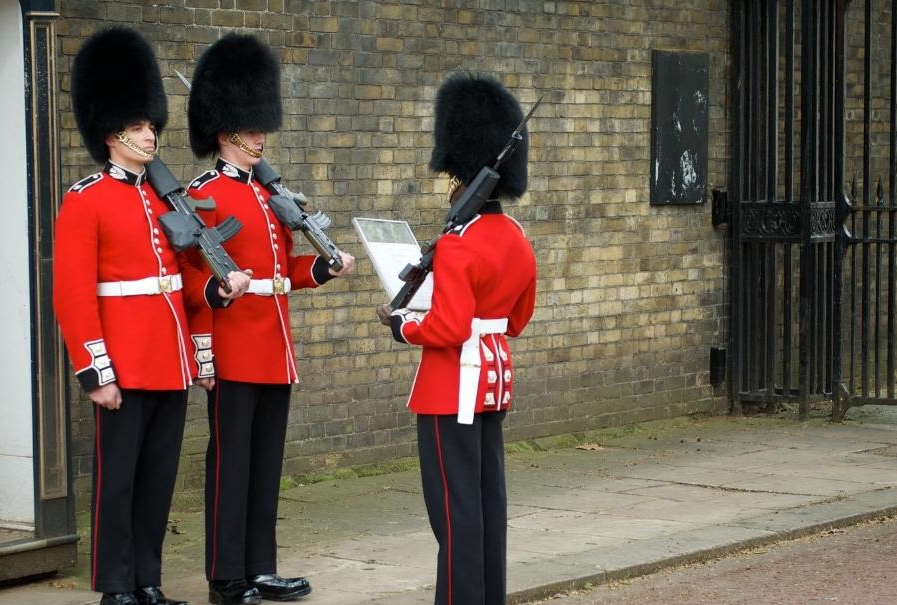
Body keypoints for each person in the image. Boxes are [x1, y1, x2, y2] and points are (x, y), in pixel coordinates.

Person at [181, 32, 356, 605]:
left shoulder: (267, 194)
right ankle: (225, 576)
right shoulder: (202, 196)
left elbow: (284, 273)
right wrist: (205, 353)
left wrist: (326, 269)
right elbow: (196, 286)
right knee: (231, 471)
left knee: (264, 468)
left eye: (261, 127)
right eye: (251, 128)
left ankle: (260, 567)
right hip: (234, 350)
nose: (260, 136)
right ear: (225, 131)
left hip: (275, 350)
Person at [376, 73, 538, 605]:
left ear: (458, 179)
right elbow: (516, 320)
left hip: (452, 386)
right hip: (494, 378)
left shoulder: (458, 244)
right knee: (488, 502)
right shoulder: (515, 237)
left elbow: (446, 328)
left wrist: (403, 326)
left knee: (453, 510)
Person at [53, 27, 193, 605]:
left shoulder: (166, 199)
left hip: (169, 359)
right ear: (113, 134)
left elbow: (182, 279)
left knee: (158, 482)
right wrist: (97, 371)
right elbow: (73, 294)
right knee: (118, 482)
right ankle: (115, 586)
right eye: (139, 127)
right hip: (124, 363)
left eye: (152, 126)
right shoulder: (85, 199)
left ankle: (148, 582)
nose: (150, 135)